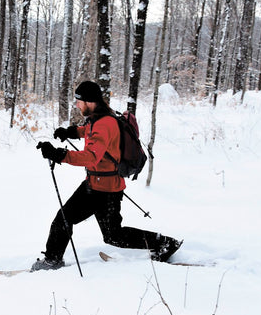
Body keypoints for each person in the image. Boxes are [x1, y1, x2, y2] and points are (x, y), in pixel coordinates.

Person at [32, 81, 181, 271]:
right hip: (99, 184)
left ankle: (52, 261)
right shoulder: (101, 117)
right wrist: (71, 132)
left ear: (90, 101)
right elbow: (90, 131)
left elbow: (92, 157)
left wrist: (60, 155)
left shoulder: (104, 122)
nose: (77, 105)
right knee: (107, 233)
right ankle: (165, 243)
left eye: (79, 101)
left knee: (78, 223)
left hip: (103, 190)